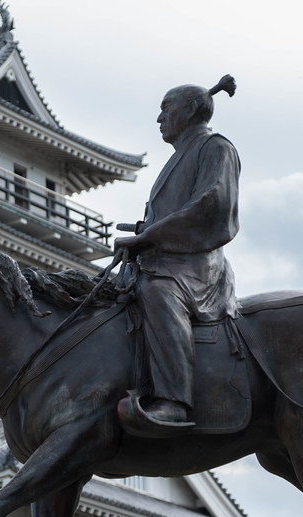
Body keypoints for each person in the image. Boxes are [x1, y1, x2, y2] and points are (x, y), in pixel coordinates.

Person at [114, 75, 239, 437]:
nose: (159, 119)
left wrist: (150, 236)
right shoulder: (181, 155)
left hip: (196, 264)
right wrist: (143, 231)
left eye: (166, 109)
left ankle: (174, 400)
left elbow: (211, 205)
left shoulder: (216, 147)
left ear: (190, 110)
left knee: (157, 293)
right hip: (165, 257)